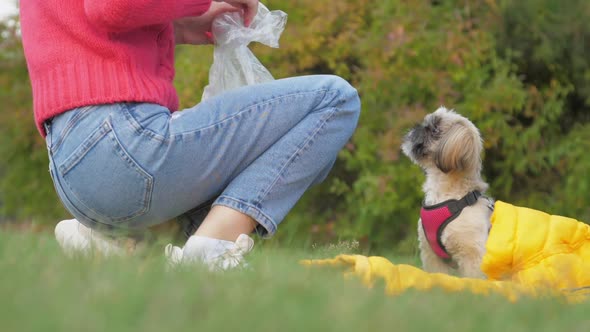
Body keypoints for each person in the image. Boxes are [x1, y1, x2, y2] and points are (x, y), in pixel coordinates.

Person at [19, 0, 361, 270]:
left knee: (300, 151)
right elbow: (114, 6)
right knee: (334, 101)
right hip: (122, 143)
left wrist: (177, 23)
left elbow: (86, 22)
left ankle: (125, 242)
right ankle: (209, 253)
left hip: (74, 165)